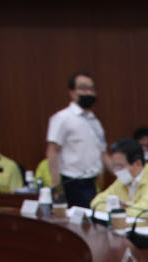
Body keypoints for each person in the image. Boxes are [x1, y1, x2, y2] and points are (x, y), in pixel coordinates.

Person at [46, 71, 108, 207]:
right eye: (83, 88)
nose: (89, 93)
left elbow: (103, 154)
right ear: (72, 92)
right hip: (73, 182)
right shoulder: (63, 118)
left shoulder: (95, 121)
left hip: (93, 182)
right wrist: (56, 185)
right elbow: (52, 151)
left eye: (92, 89)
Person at [90, 138, 148, 223]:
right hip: (135, 231)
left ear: (137, 163)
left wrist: (117, 209)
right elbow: (96, 203)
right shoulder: (122, 180)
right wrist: (115, 207)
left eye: (120, 166)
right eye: (114, 166)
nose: (116, 171)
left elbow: (142, 213)